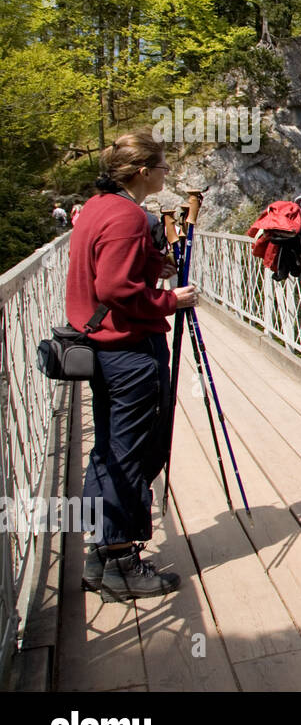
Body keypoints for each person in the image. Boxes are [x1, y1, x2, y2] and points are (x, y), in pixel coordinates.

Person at [66, 129, 198, 601]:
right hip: (128, 351)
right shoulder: (125, 215)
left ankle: (103, 553)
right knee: (135, 451)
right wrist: (168, 299)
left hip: (100, 348)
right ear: (143, 171)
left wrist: (149, 263)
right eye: (163, 166)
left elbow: (113, 269)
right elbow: (114, 289)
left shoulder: (100, 206)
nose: (167, 173)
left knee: (108, 449)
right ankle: (123, 559)